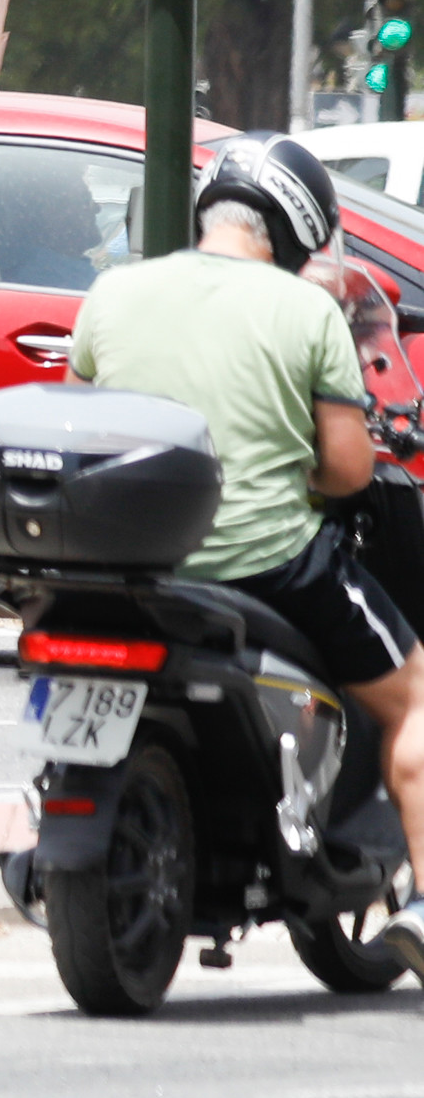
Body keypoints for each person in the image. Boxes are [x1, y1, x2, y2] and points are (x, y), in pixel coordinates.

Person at [69, 134, 424, 972]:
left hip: (132, 566)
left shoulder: (113, 293)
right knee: (415, 697)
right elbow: (347, 470)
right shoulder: (306, 311)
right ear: (298, 231)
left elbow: (79, 421)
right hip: (269, 565)